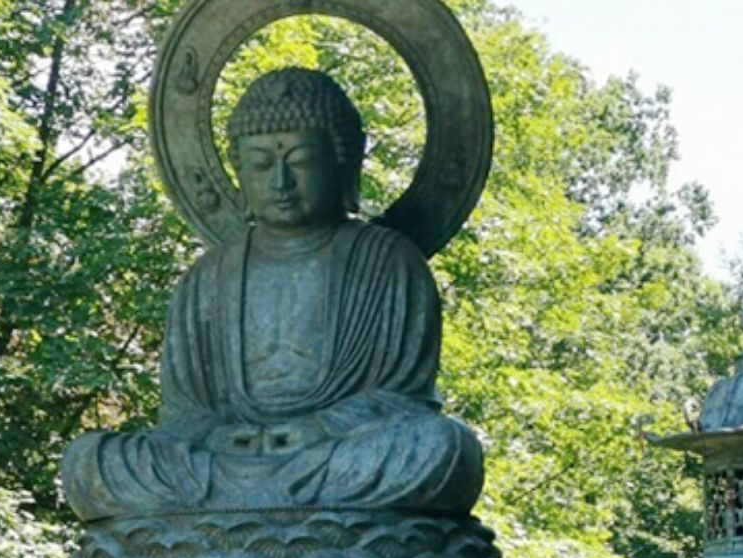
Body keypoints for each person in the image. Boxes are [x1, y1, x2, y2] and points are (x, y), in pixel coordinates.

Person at [61, 68, 482, 520]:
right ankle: (262, 507)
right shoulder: (208, 276)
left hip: (337, 456)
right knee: (91, 461)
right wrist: (220, 437)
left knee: (442, 449)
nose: (280, 181)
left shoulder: (387, 261)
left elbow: (403, 397)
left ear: (342, 164)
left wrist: (316, 430)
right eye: (261, 165)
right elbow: (183, 414)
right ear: (238, 172)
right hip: (222, 462)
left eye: (300, 161)